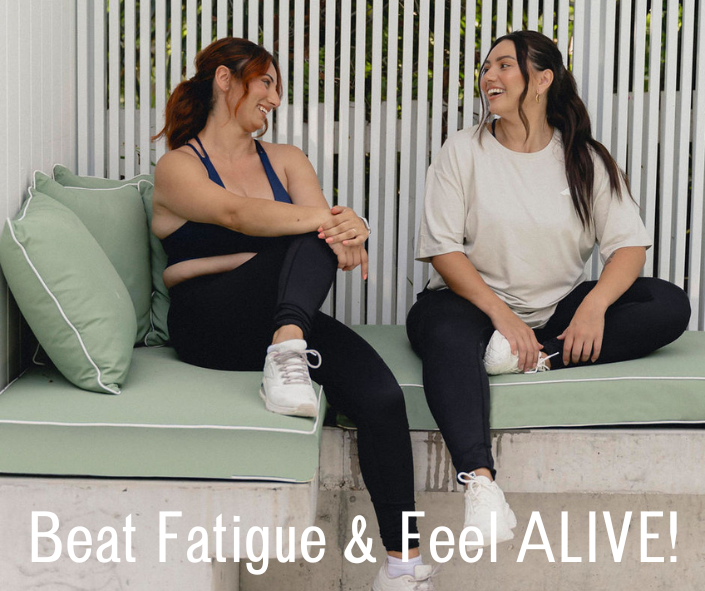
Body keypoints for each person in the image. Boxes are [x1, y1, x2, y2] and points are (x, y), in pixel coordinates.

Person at [152, 38, 435, 590]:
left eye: (279, 88)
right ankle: (286, 353)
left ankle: (403, 567)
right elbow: (239, 212)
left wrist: (349, 225)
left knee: (381, 397)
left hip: (281, 319)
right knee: (310, 230)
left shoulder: (287, 160)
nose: (275, 99)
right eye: (266, 83)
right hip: (211, 326)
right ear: (225, 81)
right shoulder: (177, 167)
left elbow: (318, 227)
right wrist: (331, 225)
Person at [406, 30, 691, 546]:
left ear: (542, 80)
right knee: (444, 336)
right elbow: (444, 251)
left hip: (555, 311)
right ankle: (481, 483)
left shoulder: (584, 158)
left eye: (503, 66)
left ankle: (538, 358)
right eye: (486, 66)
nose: (489, 76)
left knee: (668, 303)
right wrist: (503, 316)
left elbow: (628, 247)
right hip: (468, 303)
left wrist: (595, 306)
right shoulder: (463, 151)